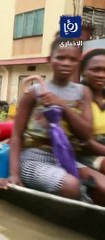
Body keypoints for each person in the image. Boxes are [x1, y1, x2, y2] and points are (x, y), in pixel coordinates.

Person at [8, 38, 93, 201]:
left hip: (67, 158)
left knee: (101, 187)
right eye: (60, 58)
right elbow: (17, 135)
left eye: (72, 59)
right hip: (34, 158)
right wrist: (14, 174)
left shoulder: (83, 92)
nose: (66, 63)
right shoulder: (34, 92)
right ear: (50, 60)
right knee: (71, 185)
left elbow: (86, 134)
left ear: (78, 62)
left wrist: (63, 106)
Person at [77, 48, 105, 205]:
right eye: (96, 69)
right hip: (83, 153)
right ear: (84, 71)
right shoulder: (76, 97)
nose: (101, 74)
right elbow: (84, 141)